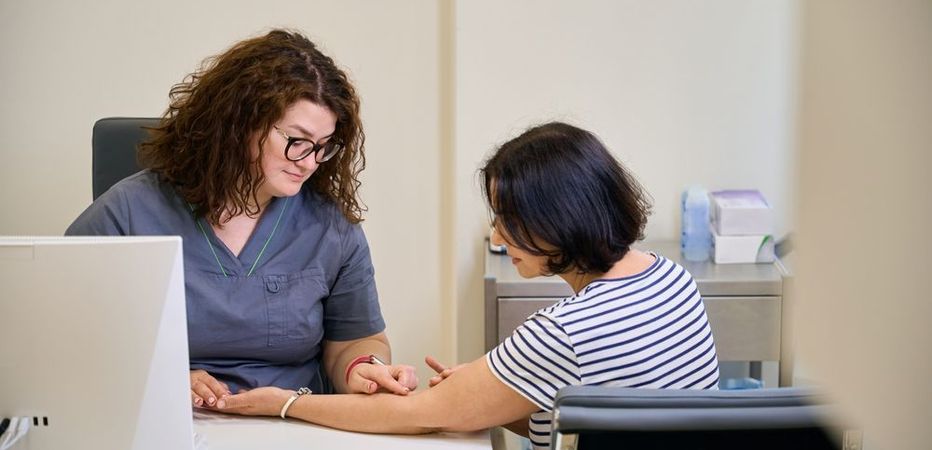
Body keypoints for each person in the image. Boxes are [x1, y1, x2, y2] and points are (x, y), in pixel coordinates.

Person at [213, 121, 721, 449]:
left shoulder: (563, 332)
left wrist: (282, 402)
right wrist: (498, 391)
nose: (498, 237)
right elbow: (606, 419)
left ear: (560, 217)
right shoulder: (668, 275)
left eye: (508, 220)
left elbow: (416, 416)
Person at [66, 29, 418, 408]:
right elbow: (66, 338)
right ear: (238, 124)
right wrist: (158, 378)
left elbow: (355, 339)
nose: (310, 161)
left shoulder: (330, 227)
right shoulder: (128, 214)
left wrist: (362, 366)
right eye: (296, 140)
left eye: (323, 147)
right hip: (171, 421)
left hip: (294, 421)